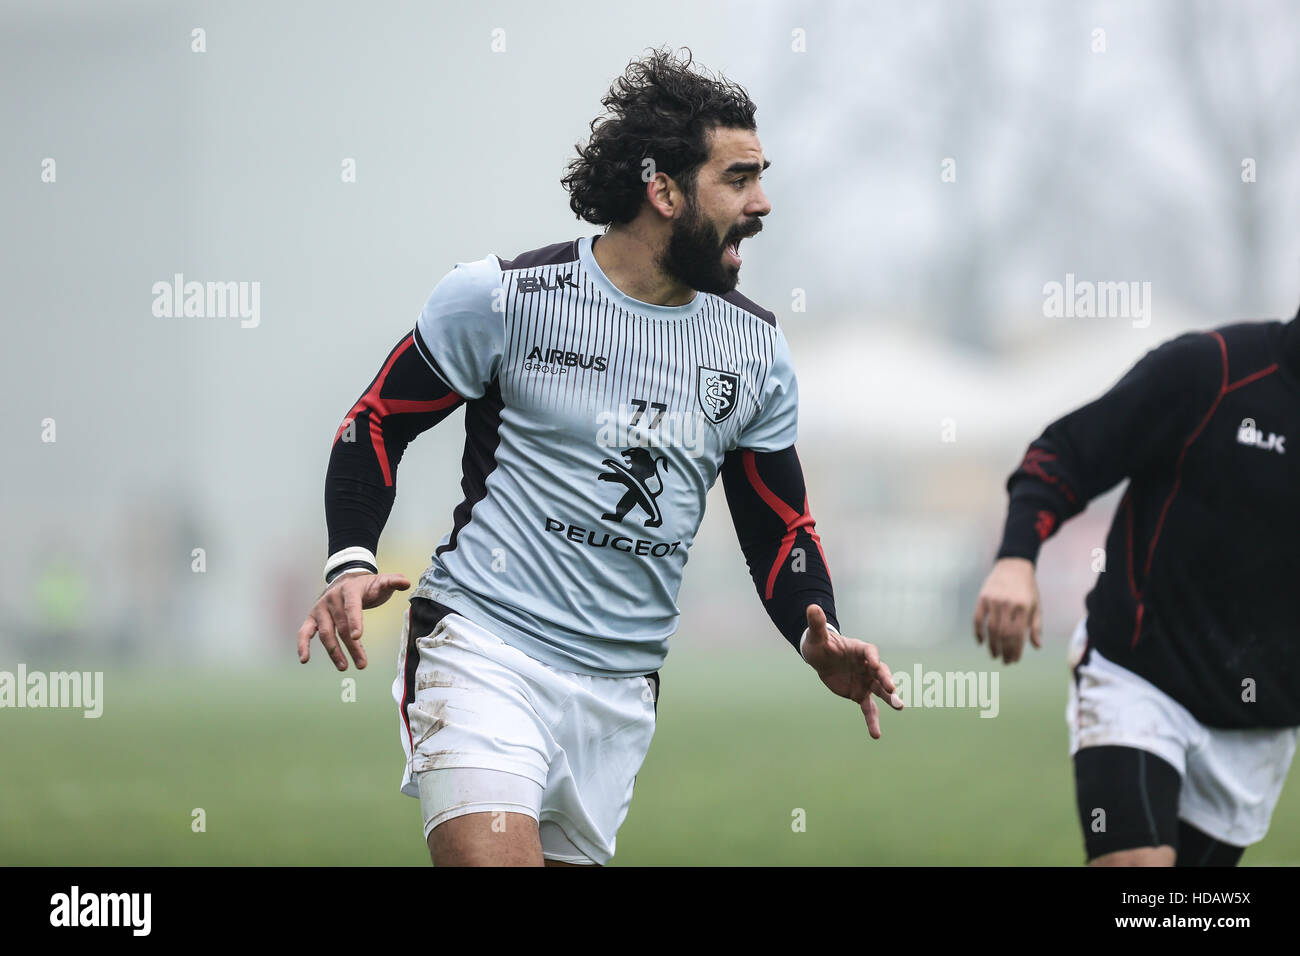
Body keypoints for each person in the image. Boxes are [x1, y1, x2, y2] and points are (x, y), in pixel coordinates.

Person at [297, 48, 902, 867]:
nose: (762, 203)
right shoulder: (504, 299)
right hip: (482, 645)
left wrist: (813, 630)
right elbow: (373, 425)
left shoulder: (756, 349)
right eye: (738, 178)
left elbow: (777, 525)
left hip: (619, 695)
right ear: (663, 191)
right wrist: (348, 560)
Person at [974, 307, 1300, 866]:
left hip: (1259, 725)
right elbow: (1065, 453)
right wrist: (1015, 559)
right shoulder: (1212, 370)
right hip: (1139, 679)